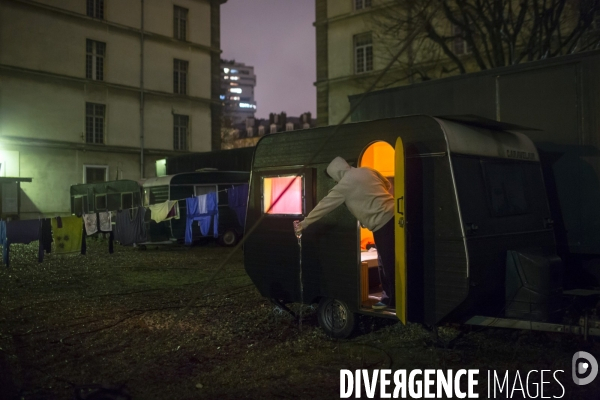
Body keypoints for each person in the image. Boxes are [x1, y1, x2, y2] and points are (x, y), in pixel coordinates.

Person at [293, 156, 395, 310]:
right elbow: (387, 184)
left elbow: (324, 205)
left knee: (386, 262)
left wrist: (304, 223)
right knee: (390, 258)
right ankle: (395, 296)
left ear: (336, 174)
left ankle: (390, 300)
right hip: (397, 216)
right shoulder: (367, 170)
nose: (335, 182)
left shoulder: (344, 185)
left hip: (383, 223)